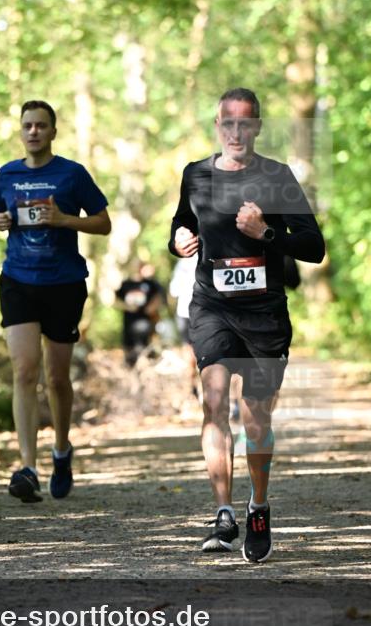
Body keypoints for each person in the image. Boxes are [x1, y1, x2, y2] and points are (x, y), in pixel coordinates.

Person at [169, 88, 325, 563]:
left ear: (257, 127)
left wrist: (268, 234)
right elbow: (180, 225)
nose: (236, 132)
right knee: (213, 402)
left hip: (264, 316)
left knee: (256, 418)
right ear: (217, 127)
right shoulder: (195, 175)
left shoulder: (277, 177)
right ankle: (222, 511)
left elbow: (314, 246)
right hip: (212, 307)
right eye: (227, 124)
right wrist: (177, 241)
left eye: (245, 123)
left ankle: (258, 505)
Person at [0, 100, 111, 503]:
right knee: (25, 371)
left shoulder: (72, 174)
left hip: (63, 283)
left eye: (41, 126)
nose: (34, 132)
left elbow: (103, 222)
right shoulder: (6, 174)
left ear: (53, 132)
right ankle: (28, 466)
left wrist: (64, 220)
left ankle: (61, 449)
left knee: (57, 378)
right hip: (18, 281)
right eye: (27, 126)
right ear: (20, 131)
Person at [115, 261, 167, 366]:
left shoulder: (150, 284)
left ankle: (145, 370)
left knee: (144, 350)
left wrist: (152, 307)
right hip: (128, 323)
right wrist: (127, 307)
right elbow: (115, 299)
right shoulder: (125, 284)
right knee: (129, 350)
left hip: (145, 323)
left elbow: (160, 296)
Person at [168, 254, 200, 397]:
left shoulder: (183, 262)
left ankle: (193, 387)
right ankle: (195, 387)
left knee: (190, 353)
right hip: (197, 312)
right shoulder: (214, 253)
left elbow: (173, 291)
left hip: (185, 312)